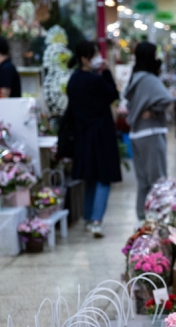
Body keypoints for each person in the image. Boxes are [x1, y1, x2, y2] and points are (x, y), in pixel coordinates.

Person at [65, 40, 121, 237]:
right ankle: (97, 220)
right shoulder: (95, 81)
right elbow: (112, 94)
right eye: (95, 55)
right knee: (104, 177)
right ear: (84, 58)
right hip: (101, 136)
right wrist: (106, 72)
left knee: (90, 178)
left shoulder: (73, 81)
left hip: (82, 136)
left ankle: (88, 218)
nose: (98, 58)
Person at [124, 42, 174, 221]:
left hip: (137, 134)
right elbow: (167, 98)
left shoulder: (135, 77)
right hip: (151, 132)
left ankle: (142, 218)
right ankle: (158, 218)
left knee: (144, 182)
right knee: (158, 180)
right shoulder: (149, 79)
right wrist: (154, 109)